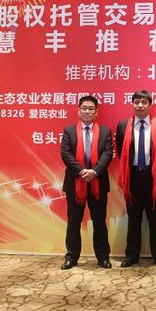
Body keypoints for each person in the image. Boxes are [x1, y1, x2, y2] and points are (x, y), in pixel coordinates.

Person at [115, 90, 156, 269]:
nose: (140, 105)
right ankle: (132, 255)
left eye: (144, 102)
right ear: (132, 104)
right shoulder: (123, 125)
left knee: (155, 219)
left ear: (150, 105)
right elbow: (121, 151)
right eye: (136, 102)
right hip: (132, 177)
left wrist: (152, 168)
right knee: (133, 219)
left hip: (153, 177)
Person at [59, 95, 114, 270]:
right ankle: (71, 257)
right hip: (75, 183)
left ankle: (103, 257)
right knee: (73, 222)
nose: (87, 111)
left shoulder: (105, 131)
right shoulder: (69, 131)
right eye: (84, 108)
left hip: (98, 183)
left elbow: (108, 153)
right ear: (78, 110)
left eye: (91, 108)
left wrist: (95, 172)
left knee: (99, 222)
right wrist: (82, 172)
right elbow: (65, 154)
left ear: (96, 112)